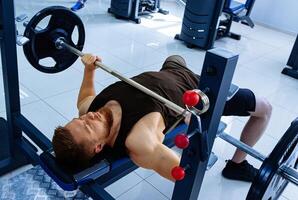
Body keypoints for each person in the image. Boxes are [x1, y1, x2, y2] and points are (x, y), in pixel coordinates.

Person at [52, 54, 272, 182]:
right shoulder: (138, 139)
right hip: (200, 92)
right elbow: (182, 173)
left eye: (79, 120)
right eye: (89, 127)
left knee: (175, 56)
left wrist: (89, 69)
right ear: (98, 147)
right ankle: (237, 165)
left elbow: (85, 98)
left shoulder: (91, 110)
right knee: (265, 109)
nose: (88, 117)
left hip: (172, 68)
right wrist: (196, 135)